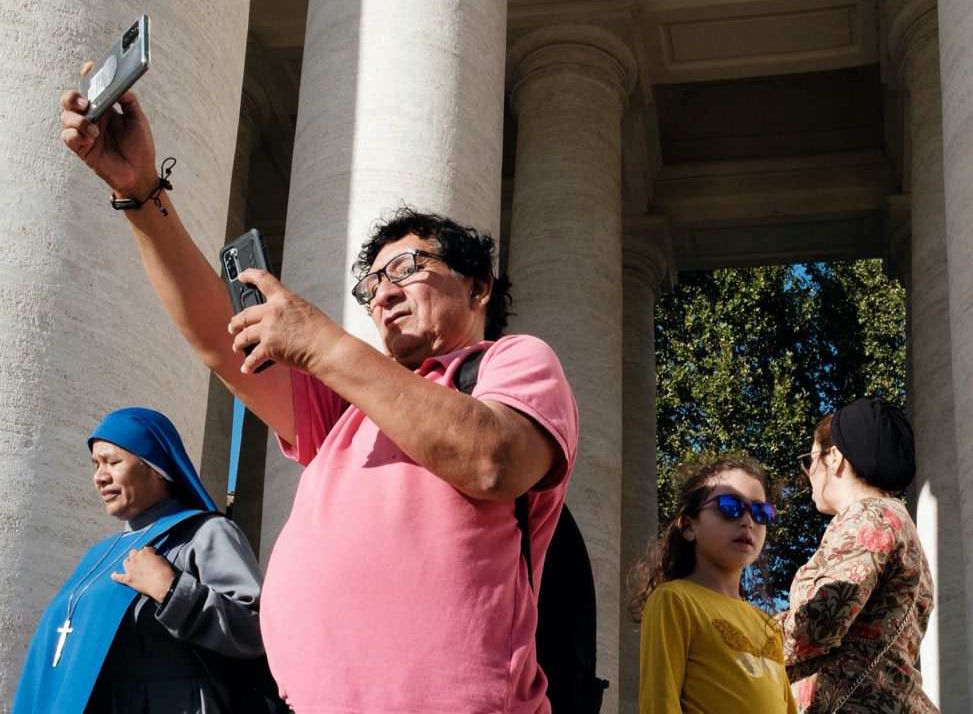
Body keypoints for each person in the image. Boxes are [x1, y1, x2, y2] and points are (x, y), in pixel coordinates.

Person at [58, 74, 578, 712]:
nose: (383, 293)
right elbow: (218, 341)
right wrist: (138, 193)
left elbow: (492, 460)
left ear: (478, 287)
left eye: (407, 269)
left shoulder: (514, 360)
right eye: (371, 284)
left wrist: (322, 344)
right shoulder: (350, 408)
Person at [11, 407, 265, 713]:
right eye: (95, 465)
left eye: (113, 462)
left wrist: (172, 592)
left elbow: (260, 631)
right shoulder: (97, 556)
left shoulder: (204, 533)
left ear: (157, 467)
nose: (99, 477)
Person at [778, 397, 938, 714]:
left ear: (835, 457)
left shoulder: (869, 516)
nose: (808, 472)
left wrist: (742, 635)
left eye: (809, 460)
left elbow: (819, 620)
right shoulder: (897, 520)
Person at [629, 455, 797, 714]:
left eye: (760, 511)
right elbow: (659, 704)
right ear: (687, 526)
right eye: (730, 506)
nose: (747, 521)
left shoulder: (769, 625)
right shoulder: (675, 600)